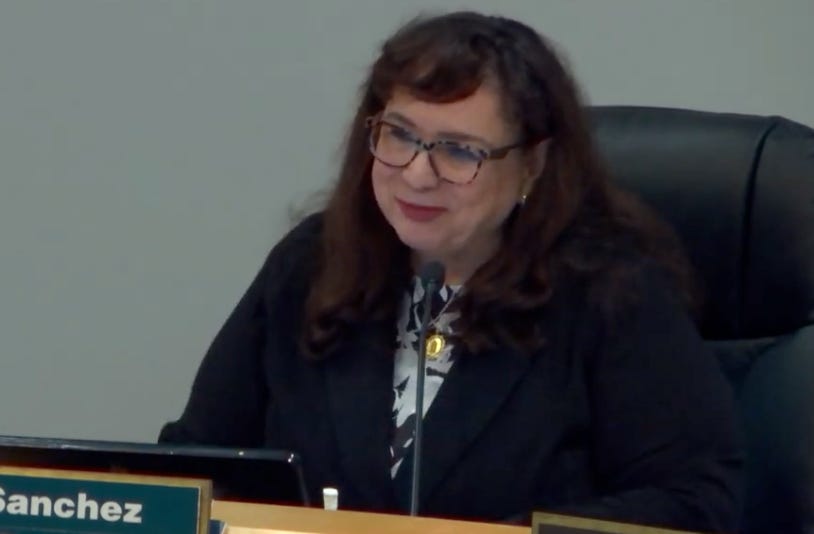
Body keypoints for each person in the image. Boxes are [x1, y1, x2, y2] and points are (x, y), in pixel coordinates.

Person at [159, 11, 743, 532]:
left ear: (532, 165)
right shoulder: (311, 264)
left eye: (460, 151)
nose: (417, 173)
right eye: (400, 136)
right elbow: (195, 464)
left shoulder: (610, 293)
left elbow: (695, 500)